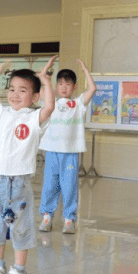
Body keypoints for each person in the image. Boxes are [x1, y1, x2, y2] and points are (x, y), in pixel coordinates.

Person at [0, 57, 55, 274]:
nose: (15, 94)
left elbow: (50, 107)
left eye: (23, 90)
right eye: (12, 89)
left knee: (19, 226)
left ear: (34, 97)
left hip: (17, 181)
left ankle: (20, 271)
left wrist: (45, 81)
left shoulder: (33, 118)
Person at [38, 60, 96, 235]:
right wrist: (46, 71)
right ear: (56, 86)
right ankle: (47, 216)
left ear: (74, 87)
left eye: (68, 84)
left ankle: (69, 219)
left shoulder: (78, 104)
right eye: (60, 84)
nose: (63, 87)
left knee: (69, 186)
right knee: (49, 186)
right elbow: (41, 87)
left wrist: (86, 69)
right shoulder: (50, 102)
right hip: (51, 151)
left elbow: (92, 89)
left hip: (70, 153)